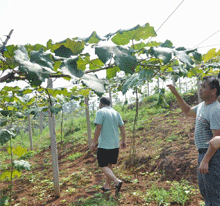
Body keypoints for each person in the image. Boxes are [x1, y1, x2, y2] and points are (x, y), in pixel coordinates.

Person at [167, 76, 220, 206]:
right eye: (200, 86)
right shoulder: (202, 106)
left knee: (213, 194)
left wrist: (206, 160)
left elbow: (216, 141)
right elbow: (187, 111)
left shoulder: (215, 110)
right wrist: (176, 94)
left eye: (204, 87)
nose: (200, 89)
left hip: (211, 156)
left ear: (213, 91)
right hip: (203, 154)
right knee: (206, 192)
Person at [91, 97, 126, 195]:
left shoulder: (101, 112)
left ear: (101, 103)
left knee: (102, 165)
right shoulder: (116, 112)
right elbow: (122, 127)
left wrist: (94, 142)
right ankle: (107, 186)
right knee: (109, 165)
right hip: (115, 144)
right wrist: (123, 140)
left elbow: (98, 127)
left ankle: (116, 181)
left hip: (105, 144)